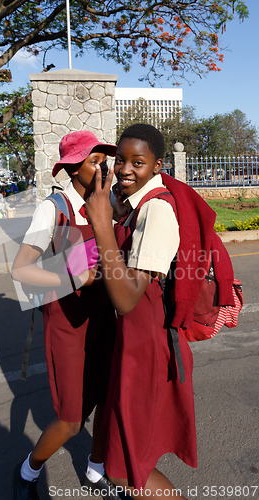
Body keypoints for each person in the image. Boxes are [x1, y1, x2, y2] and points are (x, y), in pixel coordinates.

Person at [85, 124, 205, 499]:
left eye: (138, 162)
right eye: (121, 159)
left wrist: (102, 221)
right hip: (133, 344)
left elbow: (127, 298)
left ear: (157, 165)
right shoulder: (137, 205)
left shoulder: (157, 210)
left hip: (148, 351)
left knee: (126, 471)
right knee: (125, 457)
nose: (125, 169)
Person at [11, 131, 119, 500]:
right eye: (95, 160)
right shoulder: (53, 207)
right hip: (67, 321)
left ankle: (95, 469)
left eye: (105, 160)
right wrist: (73, 276)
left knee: (105, 400)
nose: (103, 167)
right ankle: (27, 472)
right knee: (72, 420)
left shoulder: (106, 203)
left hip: (105, 317)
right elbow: (21, 269)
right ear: (73, 168)